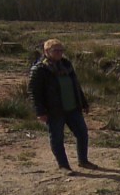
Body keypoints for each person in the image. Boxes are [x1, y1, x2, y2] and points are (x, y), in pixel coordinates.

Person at [28, 38, 96, 174]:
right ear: (46, 51)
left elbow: (76, 85)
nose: (59, 53)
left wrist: (83, 102)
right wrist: (40, 112)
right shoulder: (39, 69)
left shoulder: (66, 65)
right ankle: (64, 166)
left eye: (61, 50)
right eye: (56, 51)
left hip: (73, 108)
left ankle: (83, 161)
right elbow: (34, 93)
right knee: (57, 138)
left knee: (82, 134)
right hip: (54, 111)